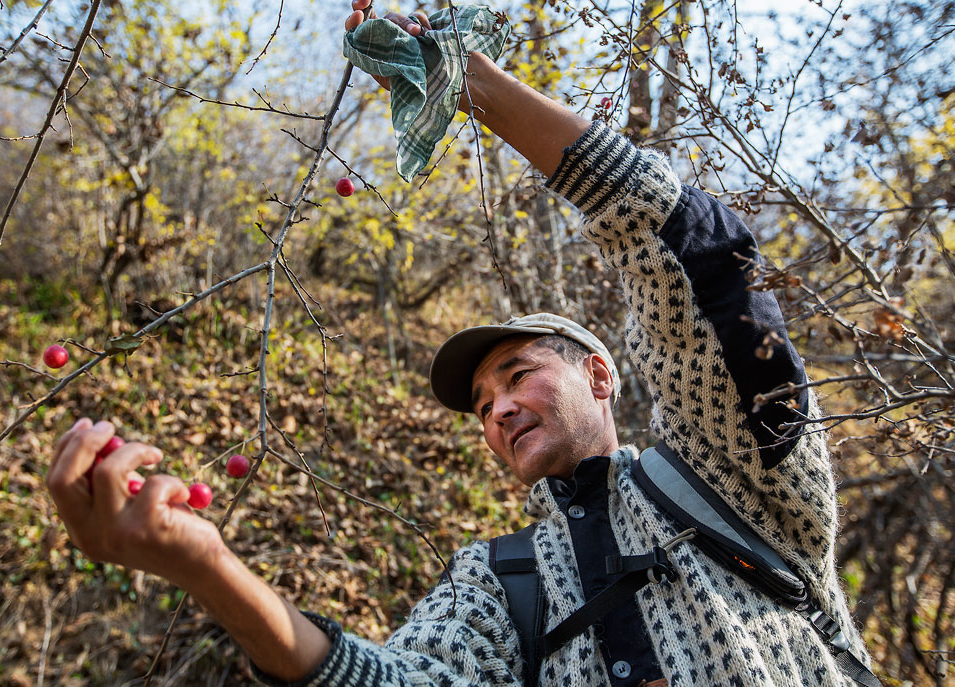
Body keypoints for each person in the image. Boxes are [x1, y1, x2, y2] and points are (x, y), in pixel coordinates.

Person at [46, 2, 874, 685]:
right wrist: (205, 566)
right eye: (481, 405)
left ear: (599, 372)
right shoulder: (495, 582)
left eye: (517, 374)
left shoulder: (733, 474)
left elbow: (699, 259)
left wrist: (467, 80)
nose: (499, 408)